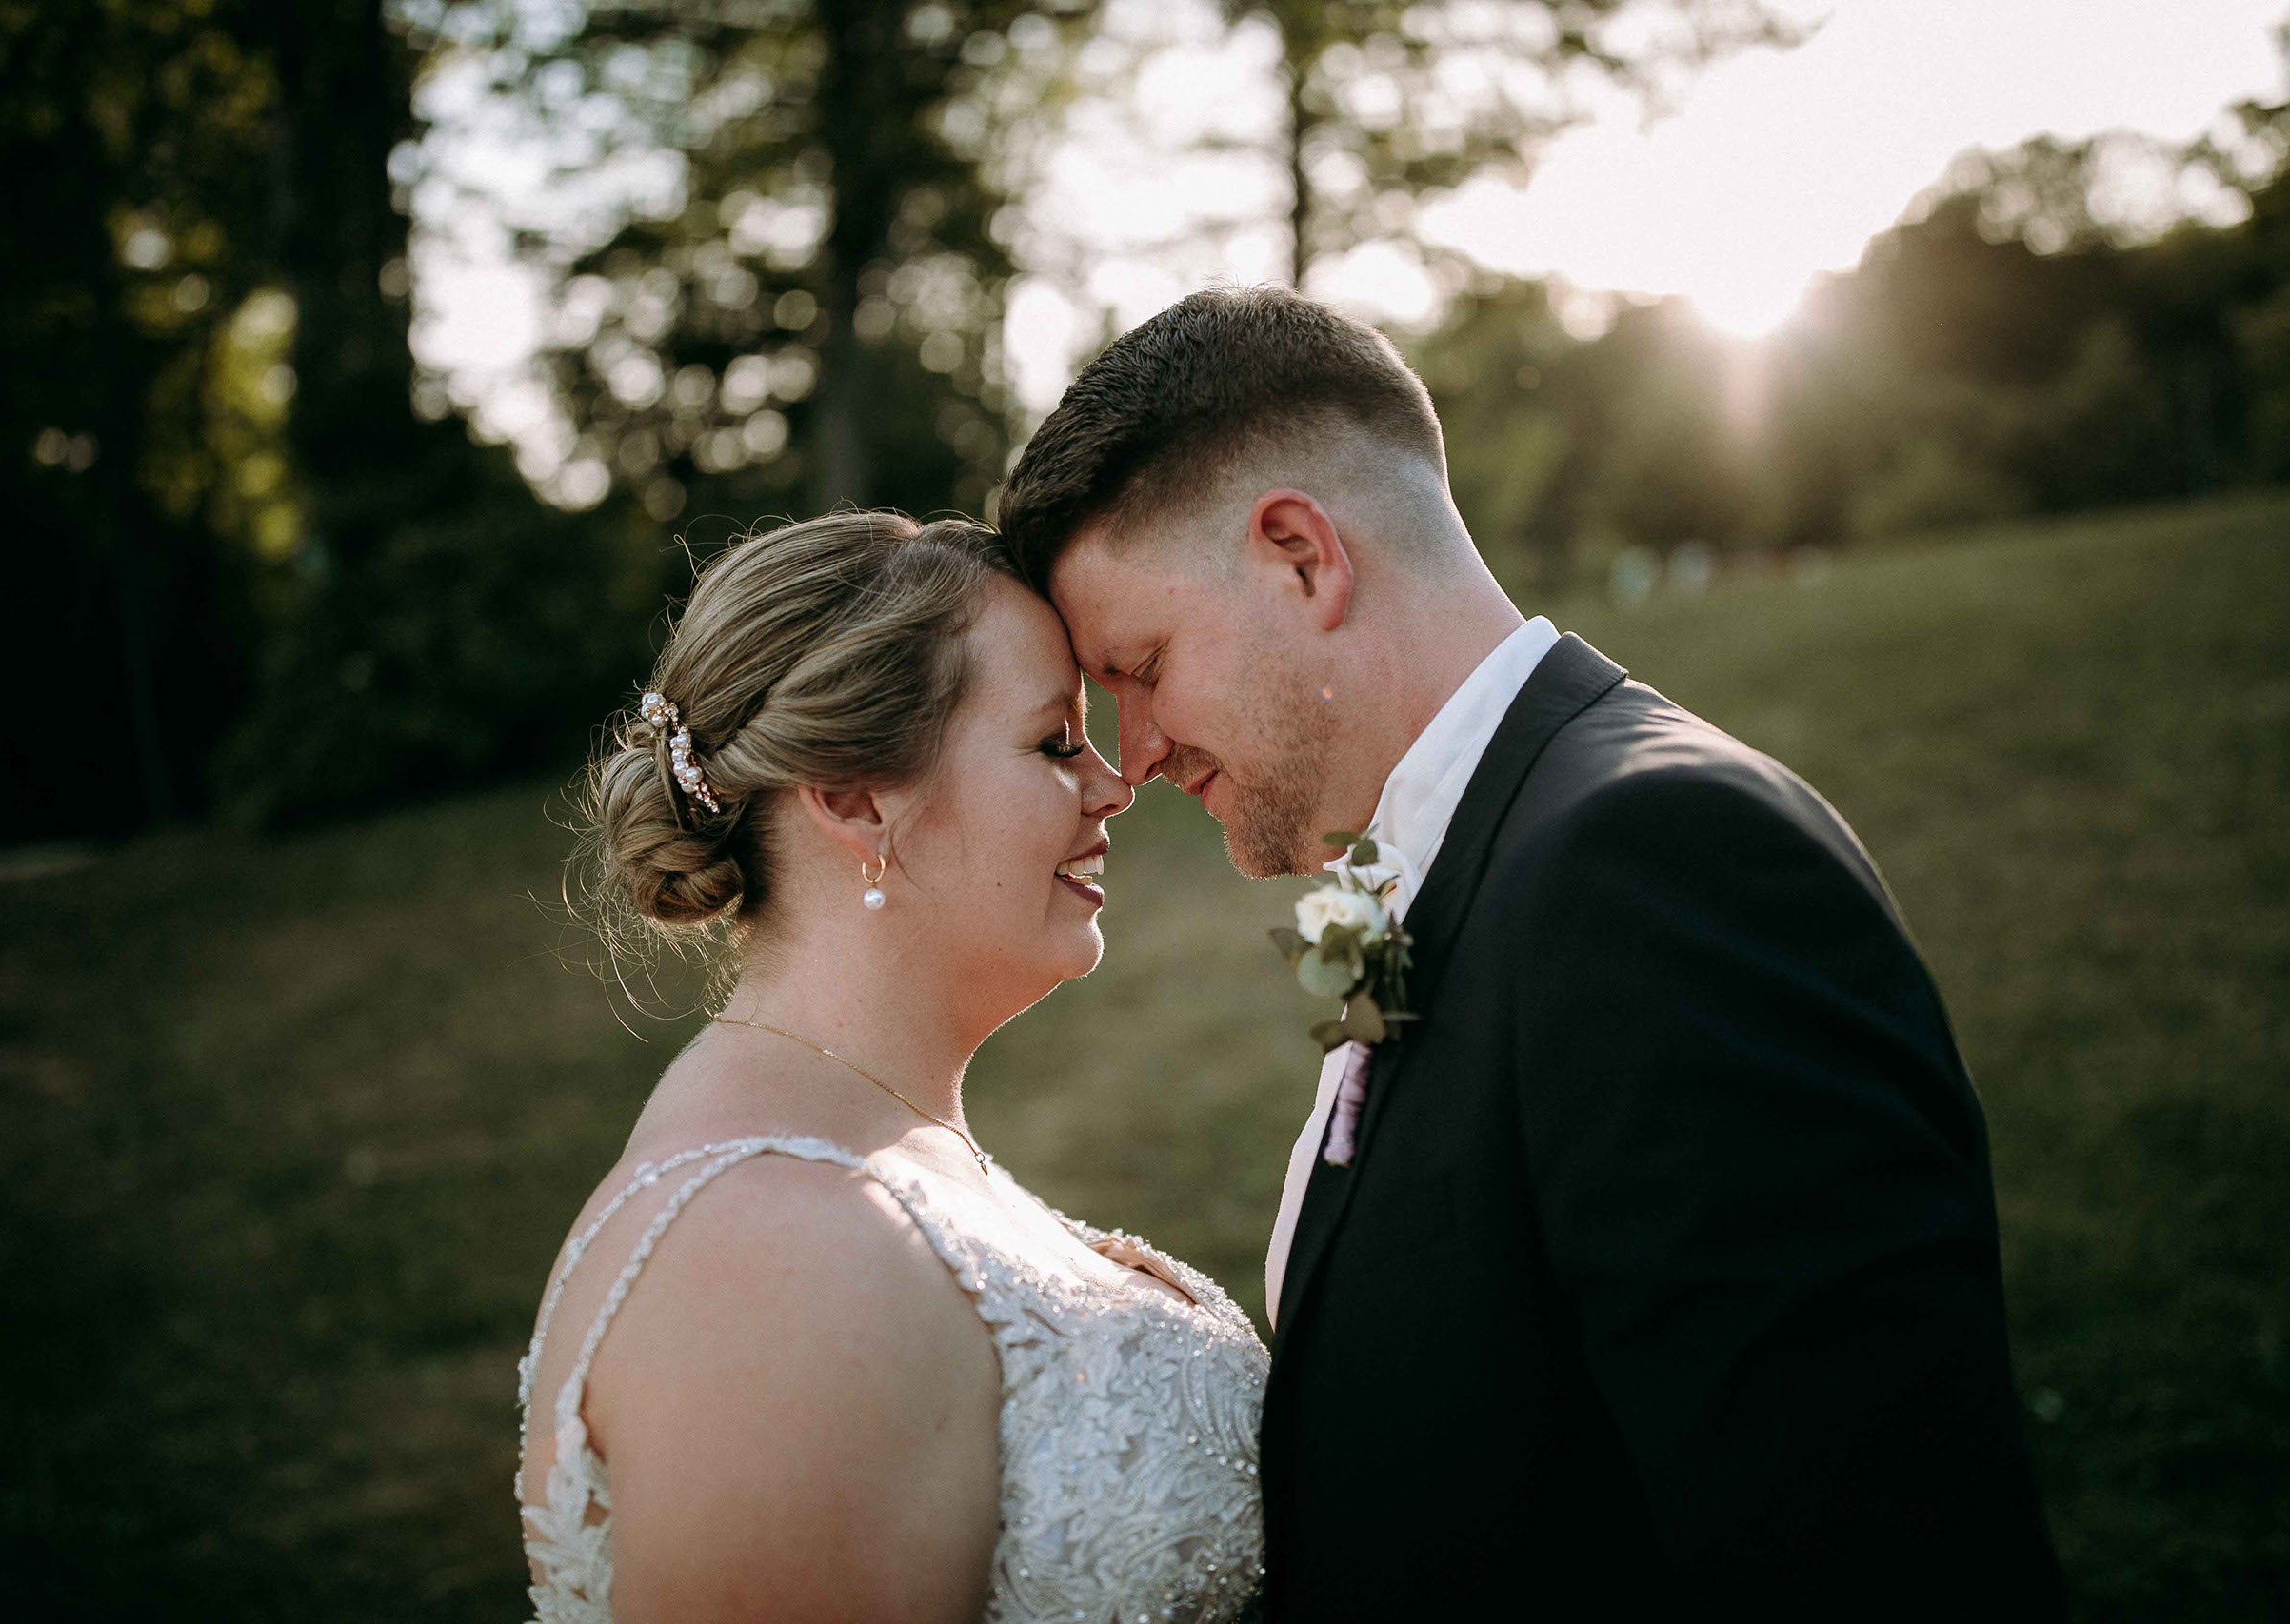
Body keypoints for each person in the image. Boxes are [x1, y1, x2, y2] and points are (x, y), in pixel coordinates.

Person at [997, 286, 2067, 1618]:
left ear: (1299, 556)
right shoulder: (1471, 863)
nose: (1137, 746)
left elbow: (1865, 1552)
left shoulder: (1660, 868)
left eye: (1142, 663)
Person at [514, 511, 1267, 1623]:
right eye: (1056, 741)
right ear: (857, 798)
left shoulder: (869, 1149)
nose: (1114, 785)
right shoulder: (767, 1253)